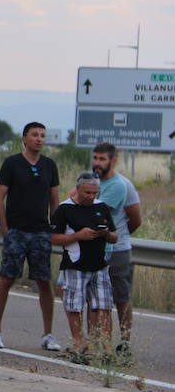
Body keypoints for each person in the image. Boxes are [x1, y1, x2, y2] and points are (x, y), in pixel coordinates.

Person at [0, 122, 61, 351]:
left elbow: (54, 201)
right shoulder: (12, 163)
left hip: (40, 231)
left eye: (42, 135)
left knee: (43, 282)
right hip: (17, 231)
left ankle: (48, 334)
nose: (39, 139)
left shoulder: (49, 165)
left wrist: (54, 227)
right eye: (34, 135)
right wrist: (5, 229)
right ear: (24, 139)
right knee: (7, 279)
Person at [50, 172, 117, 360]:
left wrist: (106, 234)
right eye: (87, 192)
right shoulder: (65, 209)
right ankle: (79, 342)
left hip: (100, 266)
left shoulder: (101, 207)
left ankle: (106, 347)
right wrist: (77, 236)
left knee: (103, 306)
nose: (90, 197)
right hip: (75, 266)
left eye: (94, 193)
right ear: (78, 189)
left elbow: (114, 235)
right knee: (74, 306)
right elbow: (52, 238)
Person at [89, 143, 141, 353]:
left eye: (102, 159)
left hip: (117, 249)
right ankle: (98, 343)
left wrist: (118, 235)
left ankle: (125, 340)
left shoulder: (121, 185)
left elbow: (135, 219)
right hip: (96, 249)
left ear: (113, 160)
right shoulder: (91, 181)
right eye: (95, 158)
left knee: (121, 296)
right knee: (97, 298)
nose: (98, 163)